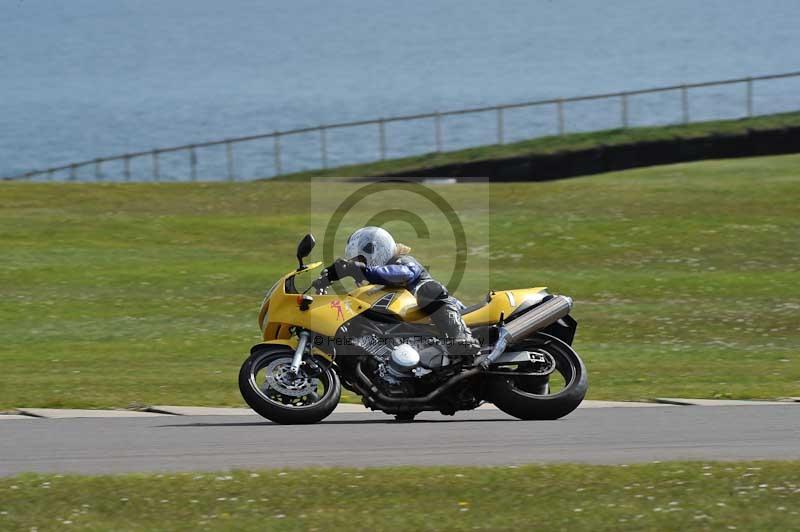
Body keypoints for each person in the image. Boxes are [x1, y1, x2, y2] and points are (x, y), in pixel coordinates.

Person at [325, 226, 480, 357]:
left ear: (377, 249)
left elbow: (403, 274)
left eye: (361, 260)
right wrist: (328, 277)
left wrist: (363, 270)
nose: (360, 265)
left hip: (450, 314)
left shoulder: (403, 262)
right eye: (356, 262)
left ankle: (460, 336)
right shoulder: (377, 287)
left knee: (428, 289)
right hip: (415, 330)